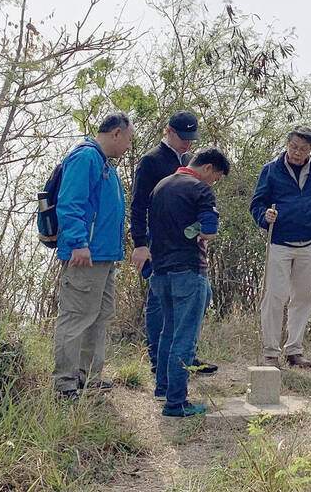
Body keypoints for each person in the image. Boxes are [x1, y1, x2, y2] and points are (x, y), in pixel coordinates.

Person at [53, 111, 135, 400]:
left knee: (98, 317)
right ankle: (65, 384)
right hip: (85, 255)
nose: (128, 145)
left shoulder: (104, 164)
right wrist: (77, 242)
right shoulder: (86, 158)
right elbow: (70, 203)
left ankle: (88, 378)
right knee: (76, 316)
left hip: (103, 256)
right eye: (128, 138)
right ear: (116, 133)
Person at [130, 111, 218, 377]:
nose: (187, 144)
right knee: (159, 302)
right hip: (158, 242)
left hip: (188, 246)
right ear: (168, 131)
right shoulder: (151, 161)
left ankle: (185, 353)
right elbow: (138, 206)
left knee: (203, 296)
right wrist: (140, 243)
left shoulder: (191, 162)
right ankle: (159, 359)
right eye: (183, 138)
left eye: (192, 139)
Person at [250, 126, 311, 369]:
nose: (297, 153)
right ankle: (270, 352)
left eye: (303, 148)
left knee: (302, 297)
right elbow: (256, 203)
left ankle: (294, 350)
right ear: (286, 144)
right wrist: (264, 216)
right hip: (279, 242)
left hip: (310, 243)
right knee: (274, 297)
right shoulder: (270, 170)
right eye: (293, 147)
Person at [148, 148, 230, 417]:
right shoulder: (199, 189)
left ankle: (162, 389)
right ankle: (176, 402)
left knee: (167, 333)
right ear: (207, 168)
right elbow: (210, 230)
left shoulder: (160, 186)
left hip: (160, 271)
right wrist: (197, 230)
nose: (212, 183)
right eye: (215, 177)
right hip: (188, 270)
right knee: (184, 337)